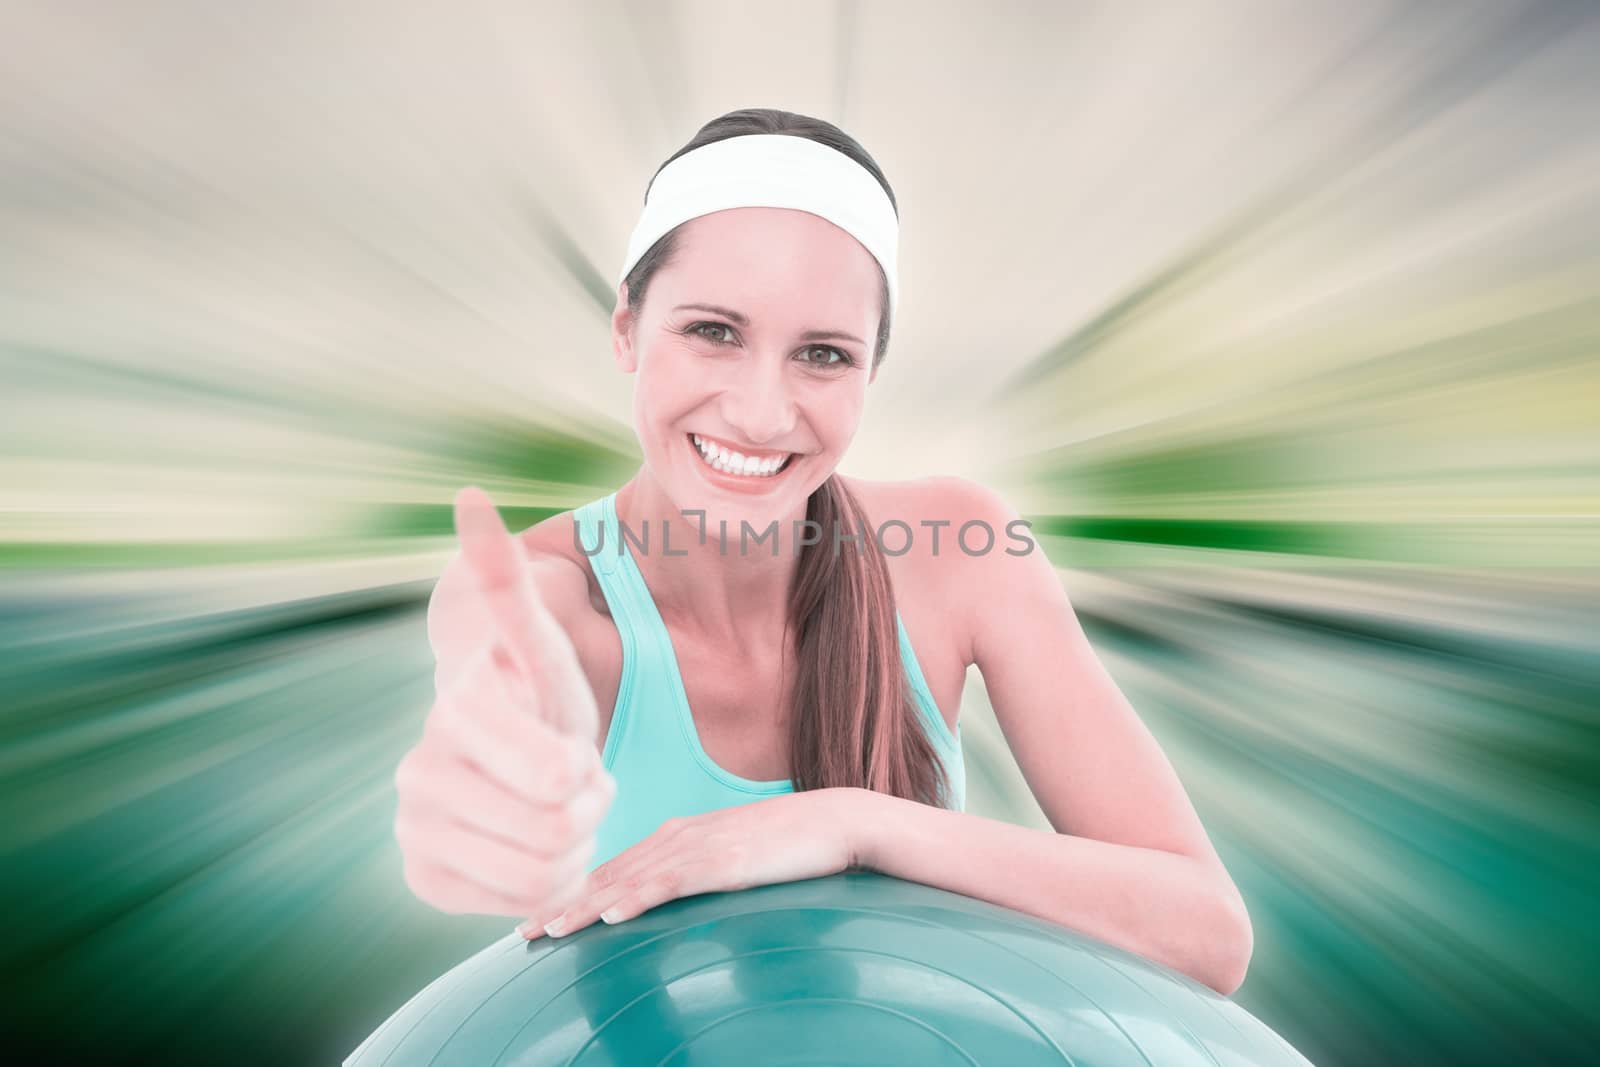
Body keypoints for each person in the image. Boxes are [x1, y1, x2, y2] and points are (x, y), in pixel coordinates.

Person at [394, 108, 1254, 996]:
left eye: (823, 354)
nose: (762, 413)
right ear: (626, 330)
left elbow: (1206, 932)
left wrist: (857, 825)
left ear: (870, 375)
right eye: (714, 332)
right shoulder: (543, 599)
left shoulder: (963, 556)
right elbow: (493, 671)